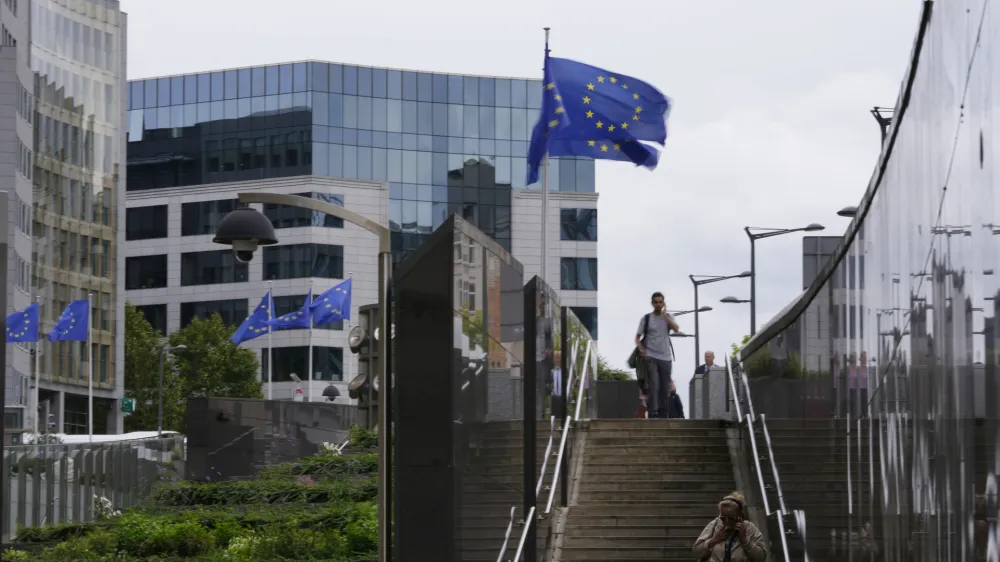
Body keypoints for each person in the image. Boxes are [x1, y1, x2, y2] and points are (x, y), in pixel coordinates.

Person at [635, 292, 678, 418]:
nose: (658, 304)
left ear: (663, 303)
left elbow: (676, 329)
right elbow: (637, 338)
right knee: (654, 384)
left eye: (660, 302)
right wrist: (642, 350)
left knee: (664, 386)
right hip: (651, 356)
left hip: (666, 357)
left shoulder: (668, 317)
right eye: (656, 302)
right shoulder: (646, 318)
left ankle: (663, 411)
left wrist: (666, 316)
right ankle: (653, 411)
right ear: (652, 303)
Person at [692, 492, 767, 562]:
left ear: (739, 515)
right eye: (723, 518)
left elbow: (761, 558)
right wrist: (713, 541)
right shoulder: (714, 525)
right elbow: (696, 552)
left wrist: (745, 541)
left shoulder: (750, 528)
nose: (726, 521)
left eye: (731, 518)